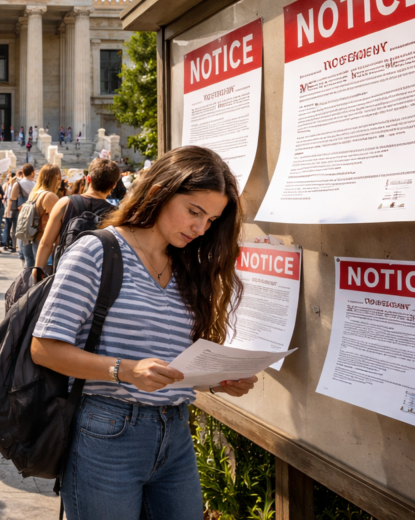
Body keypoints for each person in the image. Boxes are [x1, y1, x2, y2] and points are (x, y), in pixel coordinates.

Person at [30, 146, 255, 520]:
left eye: (212, 220)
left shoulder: (187, 267)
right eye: (194, 212)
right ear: (159, 192)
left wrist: (216, 380)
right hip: (107, 433)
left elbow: (168, 363)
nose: (200, 228)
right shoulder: (97, 252)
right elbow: (44, 348)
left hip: (176, 434)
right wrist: (125, 370)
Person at [34, 159, 121, 272]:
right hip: (98, 275)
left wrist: (37, 270)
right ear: (114, 185)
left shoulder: (64, 203)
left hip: (65, 270)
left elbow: (46, 243)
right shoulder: (116, 214)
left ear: (88, 179)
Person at [20, 164, 61, 268]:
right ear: (55, 178)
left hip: (27, 238)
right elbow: (56, 224)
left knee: (29, 270)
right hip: (41, 240)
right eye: (59, 178)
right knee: (42, 274)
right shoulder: (50, 196)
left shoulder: (34, 194)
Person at [9, 163, 36, 263]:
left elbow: (12, 198)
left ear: (23, 172)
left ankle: (23, 262)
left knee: (21, 238)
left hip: (21, 214)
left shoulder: (18, 184)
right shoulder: (36, 185)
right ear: (33, 172)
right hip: (34, 214)